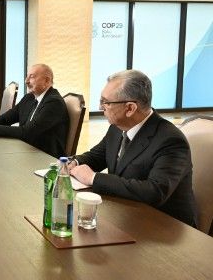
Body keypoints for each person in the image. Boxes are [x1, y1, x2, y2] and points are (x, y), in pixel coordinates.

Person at [69, 70, 197, 227]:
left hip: (165, 227)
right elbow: (97, 156)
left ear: (130, 108)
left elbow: (155, 192)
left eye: (106, 102)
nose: (100, 107)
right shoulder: (117, 127)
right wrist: (74, 162)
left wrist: (93, 178)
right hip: (126, 215)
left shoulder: (170, 140)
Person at [0, 63, 69, 158]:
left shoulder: (54, 103)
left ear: (46, 80)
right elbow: (5, 119)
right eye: (26, 76)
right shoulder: (29, 98)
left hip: (45, 158)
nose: (26, 81)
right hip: (26, 150)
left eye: (32, 77)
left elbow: (27, 132)